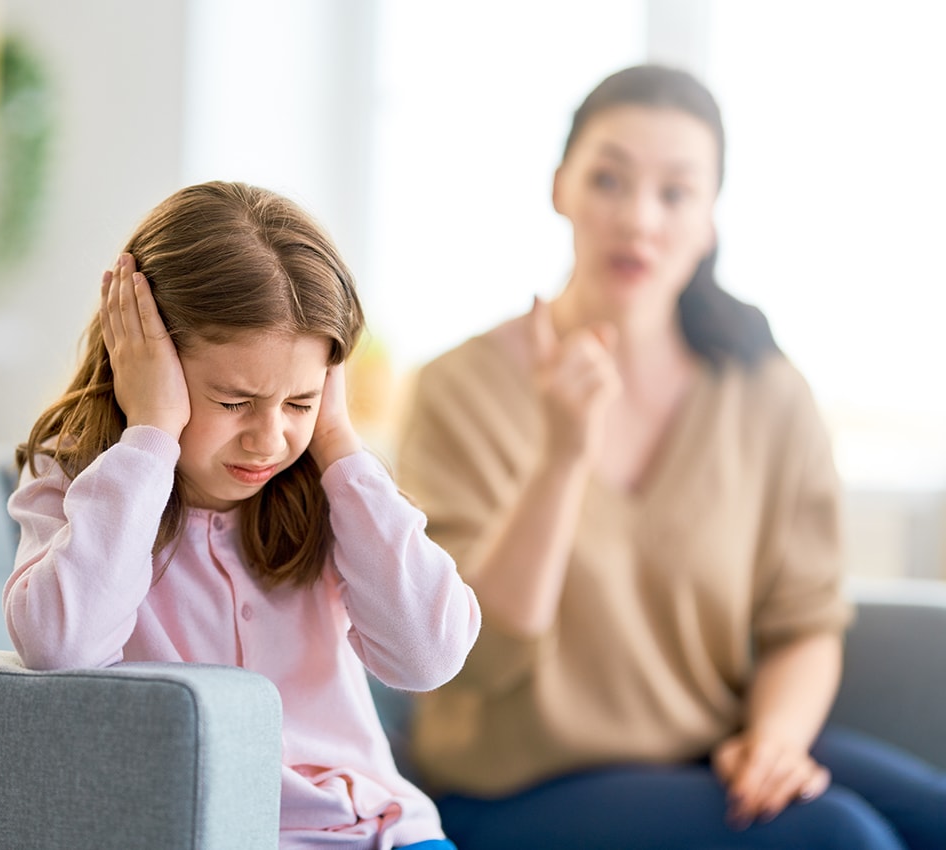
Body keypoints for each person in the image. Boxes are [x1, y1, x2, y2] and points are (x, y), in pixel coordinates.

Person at [395, 65, 946, 849]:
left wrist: (777, 740)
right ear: (562, 188)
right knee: (839, 838)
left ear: (711, 218)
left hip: (700, 754)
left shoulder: (765, 391)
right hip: (515, 788)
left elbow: (804, 621)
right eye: (610, 179)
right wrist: (562, 456)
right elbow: (471, 659)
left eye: (676, 192)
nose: (639, 219)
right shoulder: (460, 388)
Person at [4, 181, 480, 850]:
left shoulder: (331, 486)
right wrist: (150, 436)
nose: (268, 439)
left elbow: (428, 656)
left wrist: (339, 441)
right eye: (234, 403)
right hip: (199, 831)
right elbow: (61, 646)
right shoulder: (76, 479)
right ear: (144, 363)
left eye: (300, 403)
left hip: (378, 832)